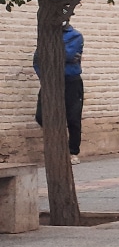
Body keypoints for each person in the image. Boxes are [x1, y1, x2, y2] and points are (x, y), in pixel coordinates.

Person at [32, 22, 85, 156]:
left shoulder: (75, 35)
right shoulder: (46, 35)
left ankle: (73, 152)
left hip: (71, 81)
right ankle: (59, 145)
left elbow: (67, 54)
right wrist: (44, 77)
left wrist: (50, 53)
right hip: (50, 82)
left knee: (73, 117)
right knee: (41, 116)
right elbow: (37, 59)